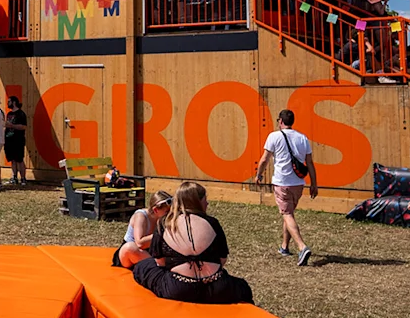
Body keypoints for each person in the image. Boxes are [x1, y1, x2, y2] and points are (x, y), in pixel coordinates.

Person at [132, 182, 253, 304]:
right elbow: (222, 259)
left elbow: (160, 262)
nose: (207, 203)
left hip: (178, 289)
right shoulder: (213, 223)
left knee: (142, 267)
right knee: (243, 286)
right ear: (197, 202)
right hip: (217, 287)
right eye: (205, 200)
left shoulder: (165, 223)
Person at [254, 108, 317, 264]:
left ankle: (302, 247)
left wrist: (258, 175)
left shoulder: (274, 136)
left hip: (282, 182)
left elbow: (264, 159)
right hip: (298, 183)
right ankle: (284, 247)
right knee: (289, 213)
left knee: (287, 214)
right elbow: (309, 163)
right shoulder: (302, 138)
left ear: (280, 121)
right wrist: (314, 184)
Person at [117, 191, 173, 268]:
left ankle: (158, 265)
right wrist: (163, 235)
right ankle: (159, 265)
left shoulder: (165, 218)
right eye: (167, 212)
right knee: (130, 247)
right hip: (132, 254)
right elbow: (140, 244)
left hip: (150, 253)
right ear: (155, 210)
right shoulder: (141, 216)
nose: (170, 214)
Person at [4, 94, 29, 185]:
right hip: (9, 139)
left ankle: (23, 178)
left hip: (18, 140)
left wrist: (12, 126)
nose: (8, 103)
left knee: (19, 159)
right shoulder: (9, 114)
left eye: (9, 102)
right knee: (12, 159)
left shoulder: (21, 114)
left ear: (14, 102)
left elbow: (23, 127)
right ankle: (14, 177)